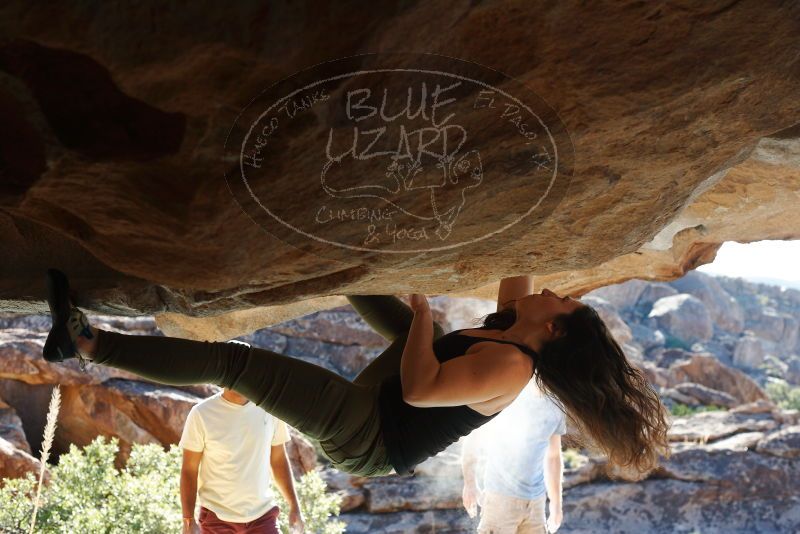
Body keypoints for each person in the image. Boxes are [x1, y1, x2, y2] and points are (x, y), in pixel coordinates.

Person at [43, 269, 670, 479]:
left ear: (553, 330)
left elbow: (423, 388)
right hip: (384, 401)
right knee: (395, 312)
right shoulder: (513, 327)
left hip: (370, 438)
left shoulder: (511, 362)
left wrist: (424, 311)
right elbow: (520, 268)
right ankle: (342, 269)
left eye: (563, 303)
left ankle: (88, 344)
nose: (557, 292)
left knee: (233, 361)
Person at [179, 383, 304, 534]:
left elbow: (278, 459)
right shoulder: (201, 413)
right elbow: (189, 470)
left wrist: (294, 506)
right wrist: (188, 520)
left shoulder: (270, 410)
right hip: (216, 519)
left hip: (263, 517)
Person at [461, 379, 566, 534]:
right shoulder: (510, 393)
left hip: (536, 503)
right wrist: (469, 483)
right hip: (500, 499)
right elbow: (474, 438)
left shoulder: (557, 405)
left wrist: (556, 504)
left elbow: (554, 456)